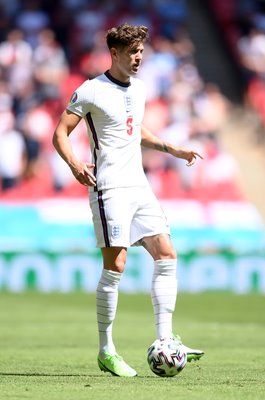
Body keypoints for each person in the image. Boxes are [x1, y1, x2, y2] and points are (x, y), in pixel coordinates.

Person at [52, 23, 204, 377]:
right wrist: (75, 165)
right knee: (115, 266)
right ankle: (107, 350)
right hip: (110, 187)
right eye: (133, 52)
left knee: (167, 255)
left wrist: (171, 148)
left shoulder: (140, 89)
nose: (139, 58)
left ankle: (166, 341)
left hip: (139, 185)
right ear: (115, 53)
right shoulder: (91, 91)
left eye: (141, 52)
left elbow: (134, 130)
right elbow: (60, 132)